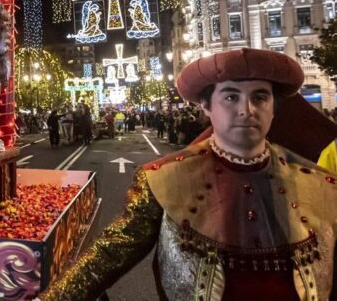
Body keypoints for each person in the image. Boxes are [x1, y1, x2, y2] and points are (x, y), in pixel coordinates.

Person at [40, 48, 337, 300]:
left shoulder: (321, 184)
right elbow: (107, 257)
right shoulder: (162, 179)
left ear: (274, 108)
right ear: (206, 106)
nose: (247, 110)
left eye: (260, 97)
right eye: (231, 97)